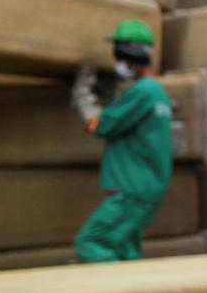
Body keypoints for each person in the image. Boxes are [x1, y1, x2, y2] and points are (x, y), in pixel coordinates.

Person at [69, 19, 172, 263]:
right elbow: (124, 118)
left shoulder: (144, 92)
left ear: (130, 53)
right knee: (126, 253)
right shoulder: (153, 92)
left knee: (91, 242)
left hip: (130, 193)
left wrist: (82, 94)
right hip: (143, 190)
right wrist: (109, 95)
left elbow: (101, 125)